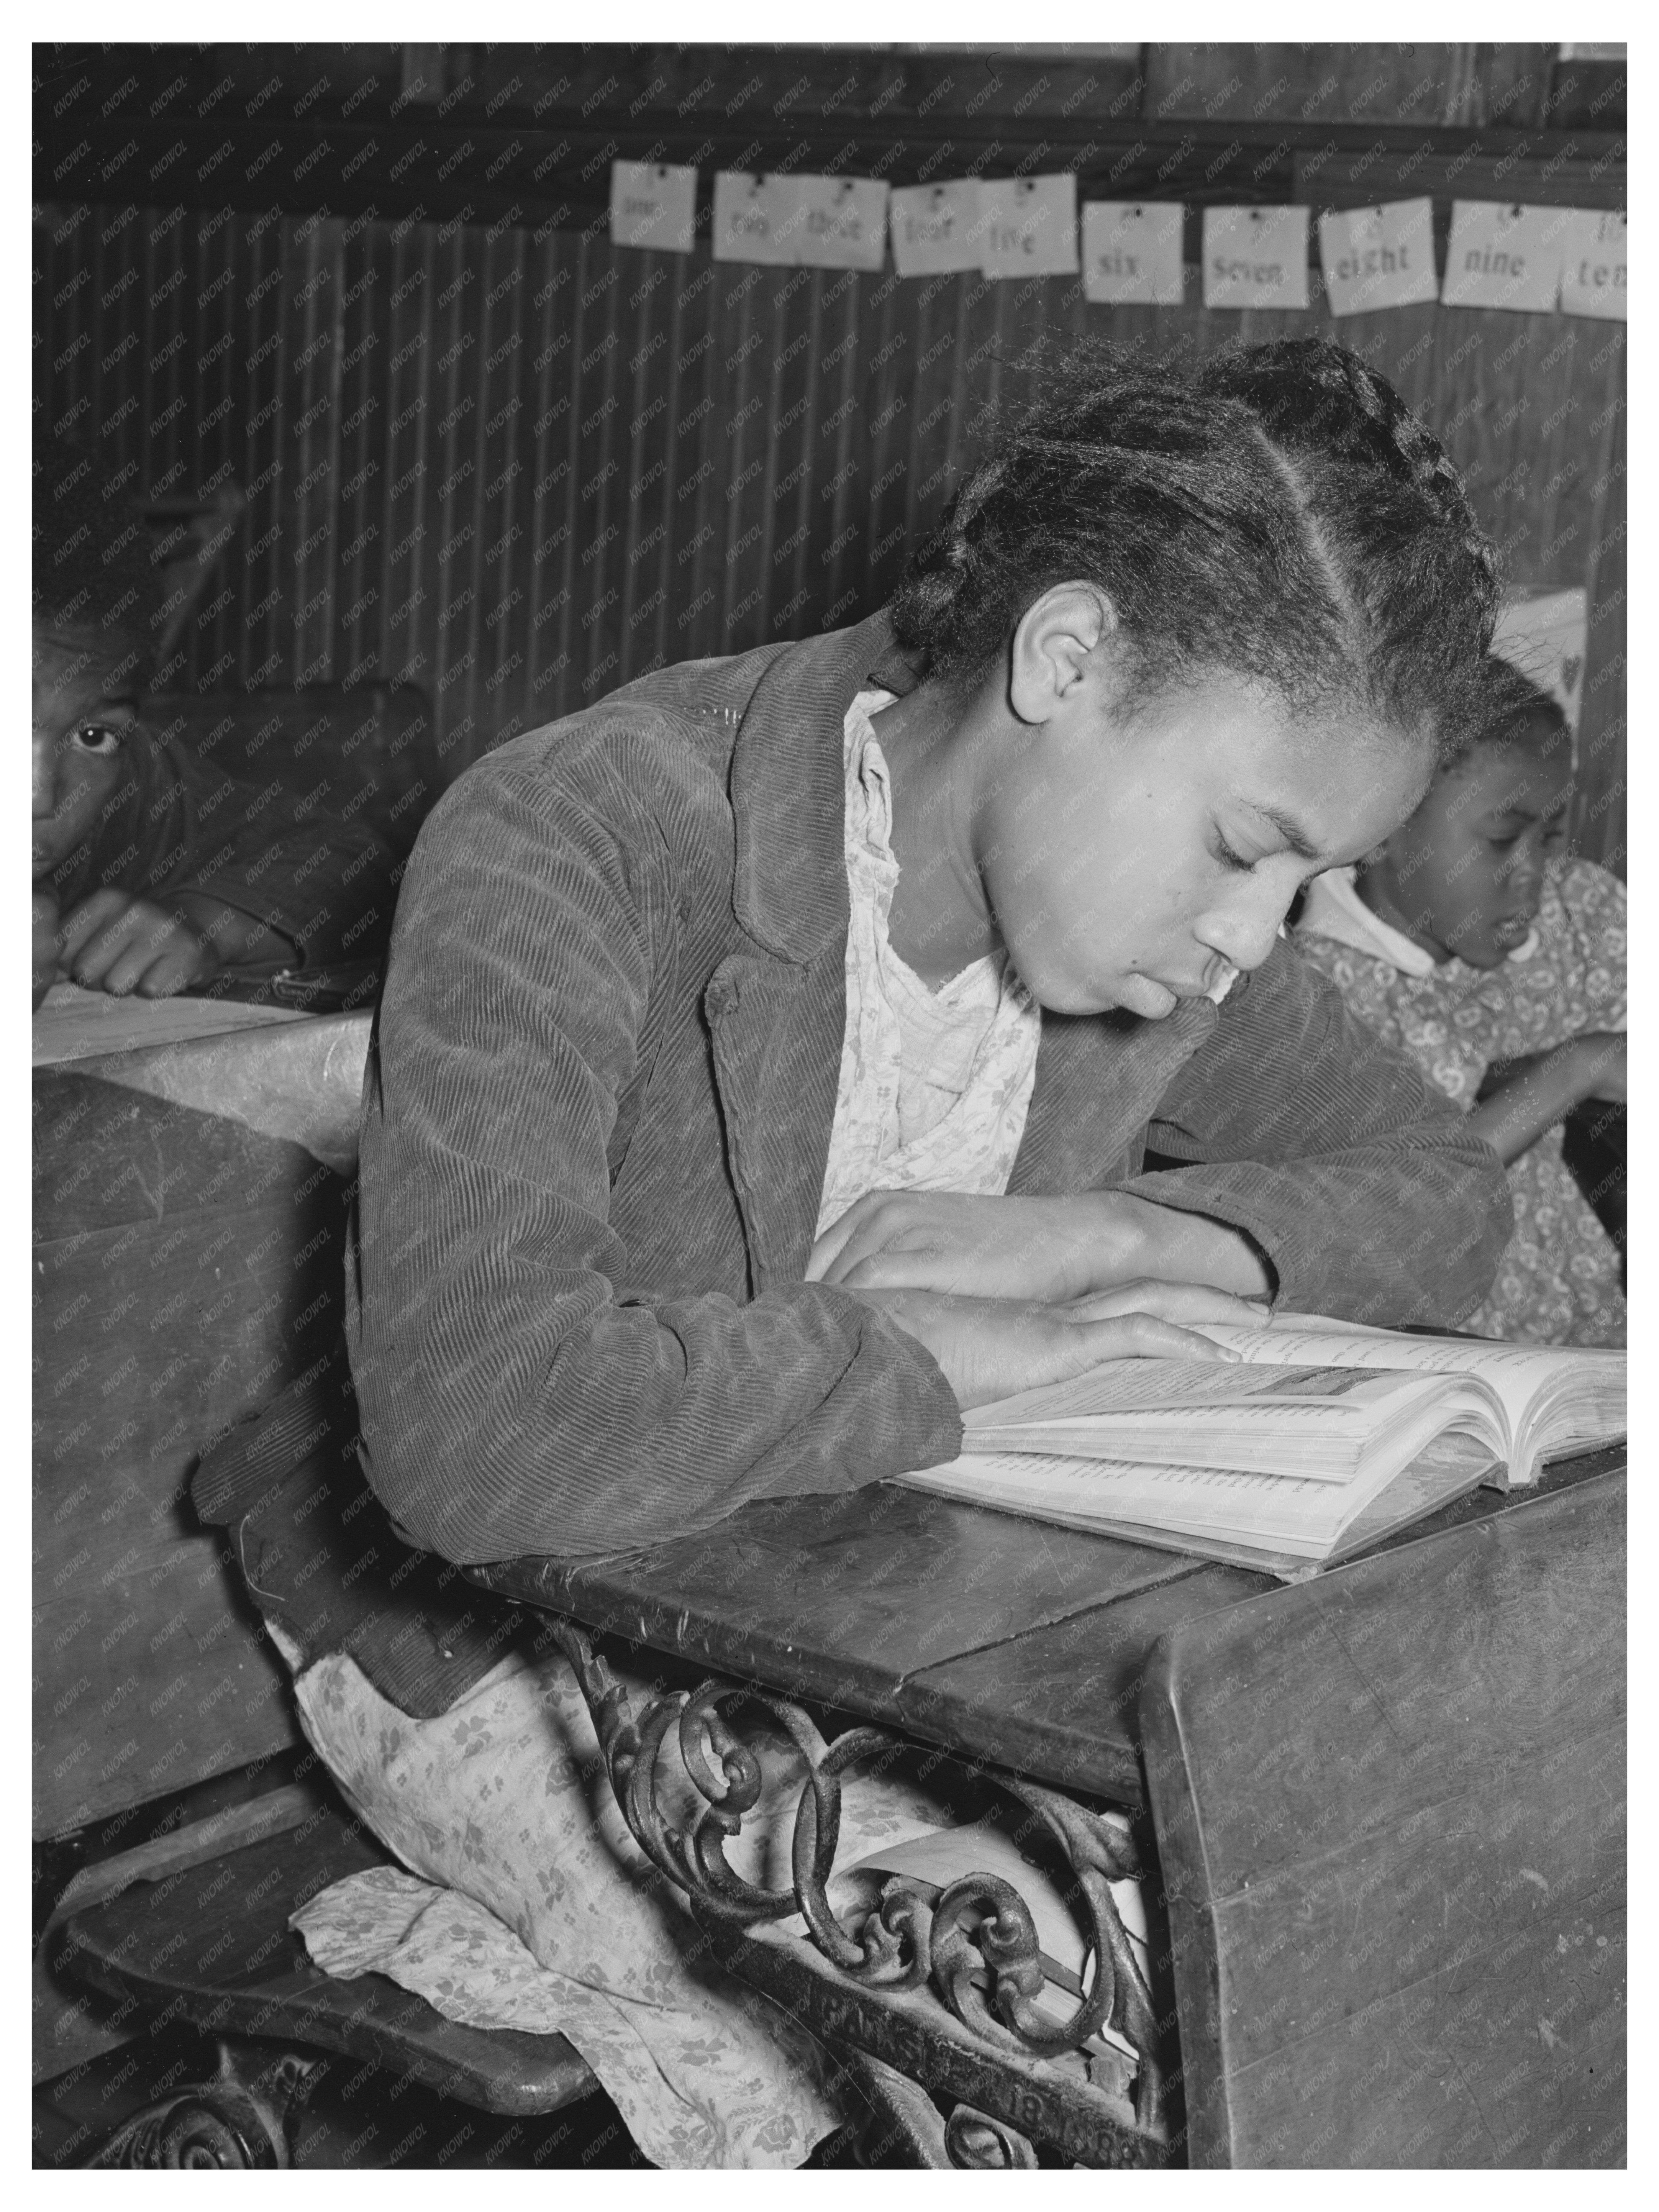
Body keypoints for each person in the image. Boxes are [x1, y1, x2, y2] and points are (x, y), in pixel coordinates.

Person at [241, 335, 1520, 2165]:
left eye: (1303, 881)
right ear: (1064, 663)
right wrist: (921, 1355)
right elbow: (470, 1430)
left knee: (1259, 1968)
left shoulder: (1132, 920)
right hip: (483, 1622)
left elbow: (1444, 1186)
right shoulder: (580, 831)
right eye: (1248, 850)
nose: (1256, 937)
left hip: (879, 1610)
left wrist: (1097, 1237)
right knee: (892, 2056)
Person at [1297, 656, 1625, 1346]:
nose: (1533, 873)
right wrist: (1575, 1069)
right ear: (1381, 826)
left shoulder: (1584, 914)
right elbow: (1396, 1202)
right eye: (1502, 838)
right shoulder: (1316, 995)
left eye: (1552, 833)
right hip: (1460, 1367)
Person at [31, 432, 398, 1008]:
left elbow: (351, 864)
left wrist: (202, 923)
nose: (39, 797)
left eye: (90, 735)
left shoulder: (131, 780)